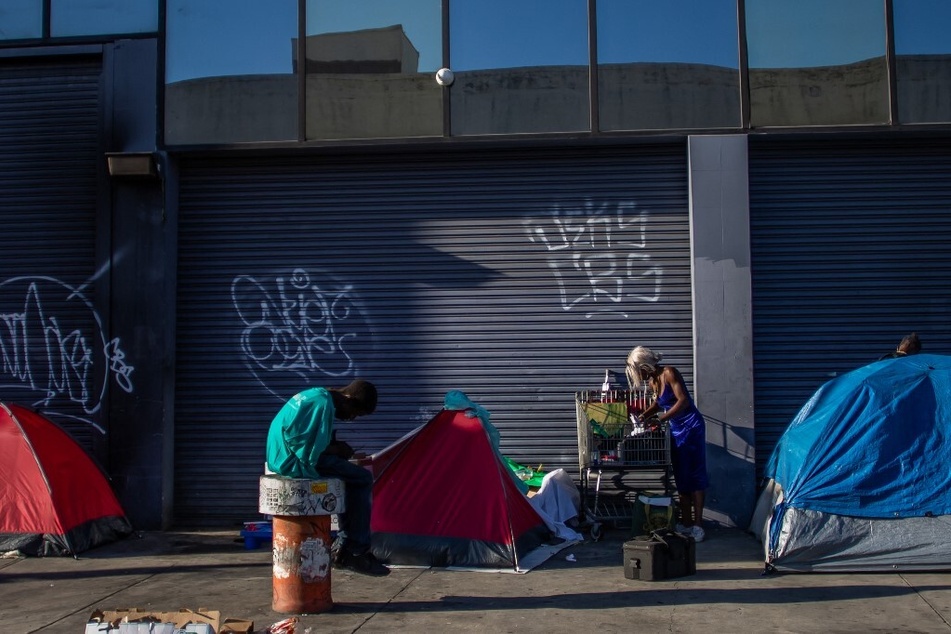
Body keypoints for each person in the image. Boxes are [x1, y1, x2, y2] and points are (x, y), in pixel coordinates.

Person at [265, 379, 389, 576]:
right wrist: (338, 450)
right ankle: (354, 549)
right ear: (349, 398)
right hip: (291, 461)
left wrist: (336, 450)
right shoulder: (321, 404)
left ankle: (345, 543)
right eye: (355, 413)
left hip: (284, 456)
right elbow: (304, 450)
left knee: (349, 476)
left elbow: (306, 437)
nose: (351, 419)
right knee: (362, 478)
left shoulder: (317, 395)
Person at [626, 346, 709, 543]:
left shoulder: (669, 373)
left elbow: (683, 401)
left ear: (645, 365)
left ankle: (698, 525)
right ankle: (687, 523)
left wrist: (661, 419)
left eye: (639, 370)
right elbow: (659, 403)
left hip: (691, 427)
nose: (640, 375)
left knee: (695, 475)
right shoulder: (654, 380)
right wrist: (645, 414)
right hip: (676, 429)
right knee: (681, 475)